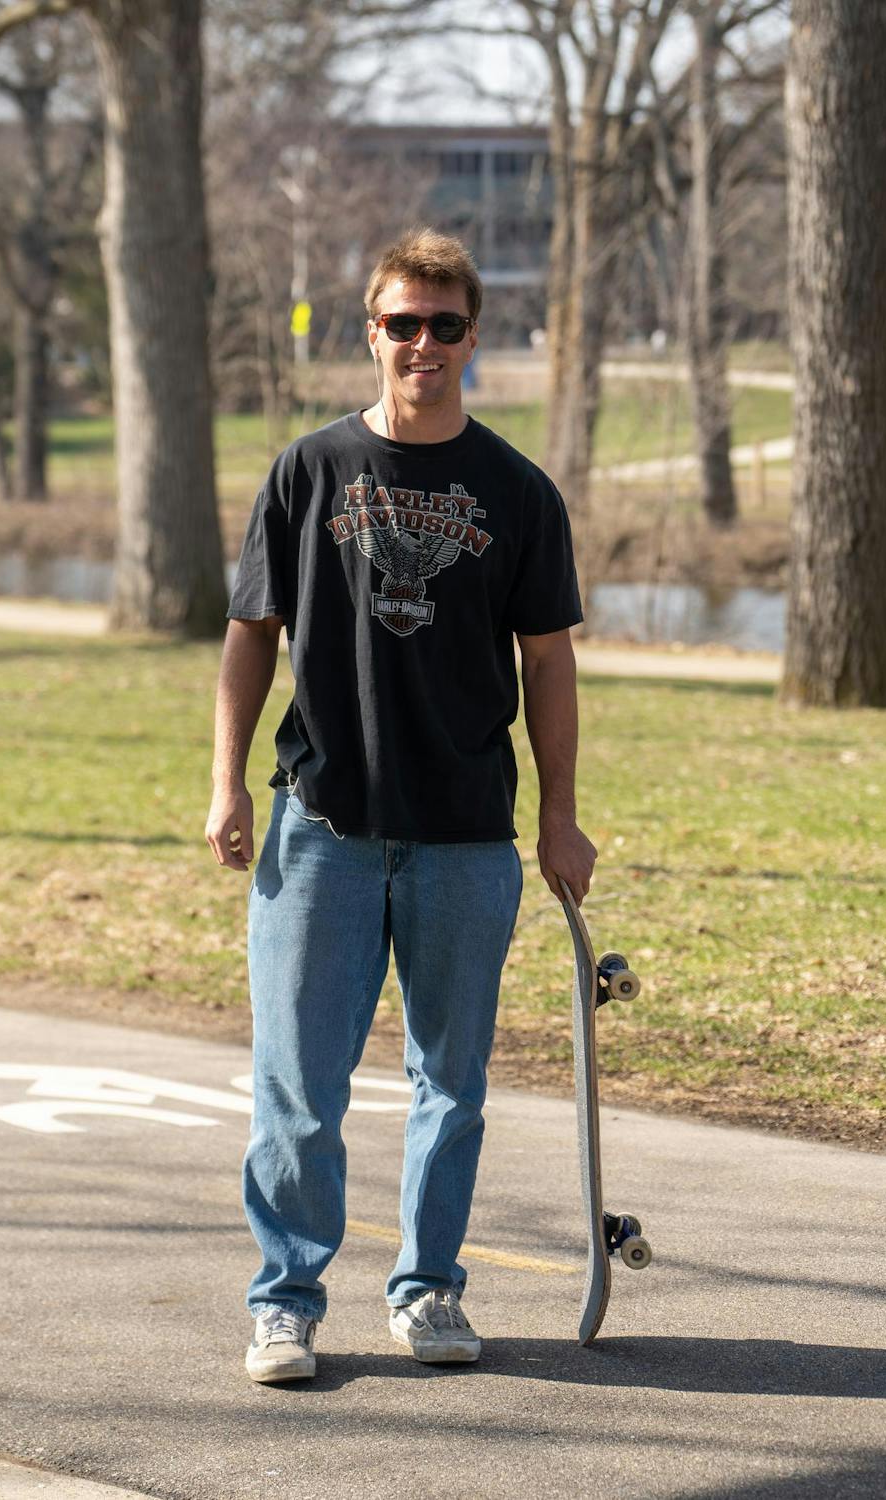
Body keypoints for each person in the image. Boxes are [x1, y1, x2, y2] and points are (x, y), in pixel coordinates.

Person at [206, 227, 597, 1385]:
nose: (422, 344)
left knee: (452, 1087)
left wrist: (560, 815)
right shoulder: (309, 470)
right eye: (401, 323)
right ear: (369, 331)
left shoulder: (518, 491)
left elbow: (550, 664)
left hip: (466, 838)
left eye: (445, 325)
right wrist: (225, 784)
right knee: (297, 1088)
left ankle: (428, 1292)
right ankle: (284, 1303)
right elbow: (247, 636)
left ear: (473, 338)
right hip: (321, 829)